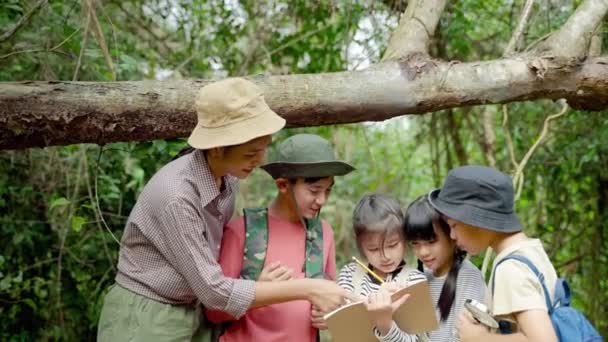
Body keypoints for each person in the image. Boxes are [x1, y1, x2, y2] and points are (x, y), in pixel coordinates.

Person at [97, 78, 354, 342]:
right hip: (149, 314)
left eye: (264, 148)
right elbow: (213, 292)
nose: (260, 160)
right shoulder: (176, 196)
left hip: (193, 312)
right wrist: (307, 288)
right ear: (218, 148)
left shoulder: (228, 179)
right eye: (251, 153)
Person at [205, 133, 355, 342]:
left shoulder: (323, 233)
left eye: (328, 191)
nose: (322, 200)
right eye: (314, 191)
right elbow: (214, 312)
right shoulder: (242, 230)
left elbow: (332, 300)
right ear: (283, 185)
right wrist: (257, 291)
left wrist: (328, 316)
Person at [428, 165, 558, 342]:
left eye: (454, 225)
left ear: (475, 217)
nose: (452, 236)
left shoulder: (510, 268)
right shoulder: (530, 250)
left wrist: (480, 338)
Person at [337, 194, 427, 342]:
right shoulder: (349, 274)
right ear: (361, 247)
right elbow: (342, 326)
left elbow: (413, 339)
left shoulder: (414, 281)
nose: (385, 256)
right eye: (373, 249)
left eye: (392, 245)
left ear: (404, 239)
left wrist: (385, 325)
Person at [404, 195, 486, 341]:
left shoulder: (469, 276)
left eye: (431, 241)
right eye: (415, 243)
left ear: (452, 236)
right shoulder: (419, 278)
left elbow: (464, 336)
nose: (423, 252)